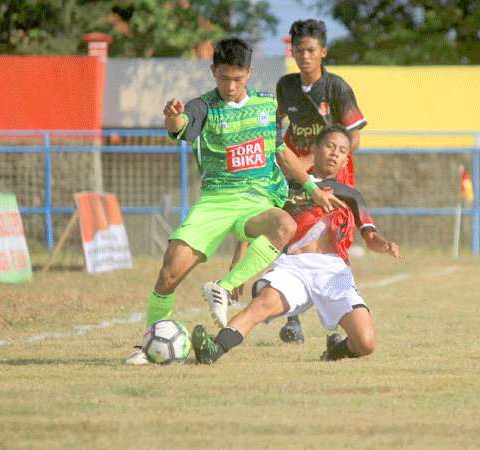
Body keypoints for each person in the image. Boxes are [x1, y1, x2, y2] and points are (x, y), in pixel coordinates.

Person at [125, 38, 344, 365]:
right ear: (214, 72)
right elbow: (182, 127)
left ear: (249, 74)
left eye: (237, 79)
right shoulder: (204, 107)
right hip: (215, 202)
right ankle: (149, 344)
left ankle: (223, 289)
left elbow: (280, 151)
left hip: (255, 202)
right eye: (224, 78)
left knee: (284, 223)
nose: (230, 86)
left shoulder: (267, 106)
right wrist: (173, 117)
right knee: (169, 272)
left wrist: (311, 186)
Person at [189, 125, 400, 365]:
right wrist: (239, 262)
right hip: (293, 266)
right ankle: (212, 349)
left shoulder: (351, 195)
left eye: (342, 151)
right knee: (261, 306)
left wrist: (382, 243)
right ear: (314, 149)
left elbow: (369, 236)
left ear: (345, 161)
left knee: (366, 342)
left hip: (332, 270)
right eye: (330, 146)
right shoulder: (285, 185)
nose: (334, 153)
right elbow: (263, 222)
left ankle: (335, 351)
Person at [228, 18, 371, 344]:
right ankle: (284, 310)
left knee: (328, 248)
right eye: (298, 50)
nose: (303, 56)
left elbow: (355, 135)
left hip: (329, 176)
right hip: (293, 173)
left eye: (310, 50)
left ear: (323, 51)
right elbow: (274, 129)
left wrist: (326, 162)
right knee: (278, 224)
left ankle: (339, 321)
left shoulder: (336, 88)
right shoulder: (286, 86)